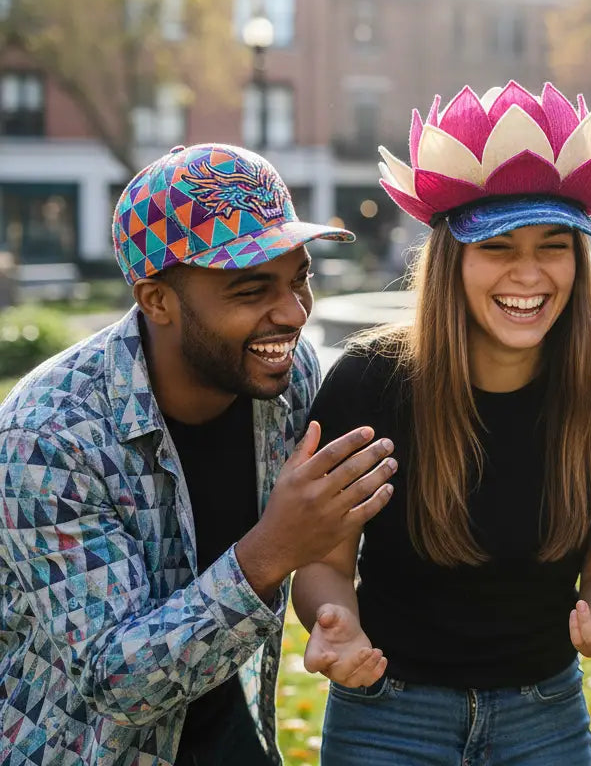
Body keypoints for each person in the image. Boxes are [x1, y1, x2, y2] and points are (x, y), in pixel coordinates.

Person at [291, 81, 591, 766]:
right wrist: (333, 619)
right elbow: (323, 562)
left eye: (554, 245)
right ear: (451, 259)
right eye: (498, 246)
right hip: (385, 714)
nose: (530, 273)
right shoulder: (369, 382)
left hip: (545, 717)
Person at [0, 144, 394, 765]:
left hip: (226, 729)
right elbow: (114, 683)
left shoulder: (288, 381)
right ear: (156, 300)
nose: (293, 313)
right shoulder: (47, 438)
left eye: (300, 278)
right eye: (251, 290)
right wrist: (270, 551)